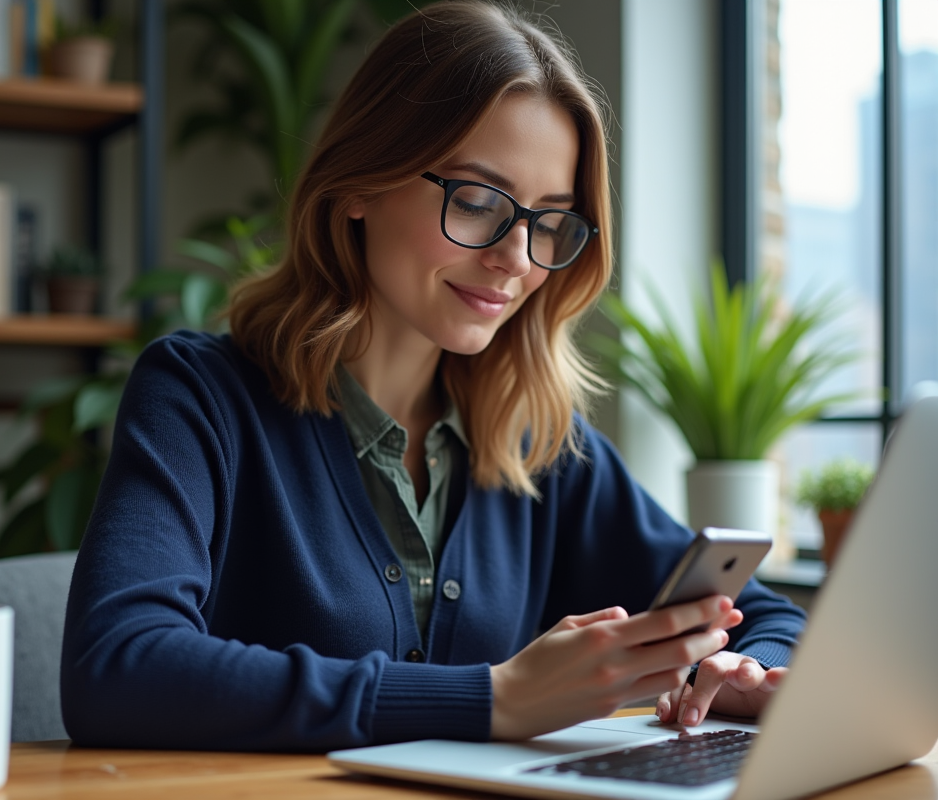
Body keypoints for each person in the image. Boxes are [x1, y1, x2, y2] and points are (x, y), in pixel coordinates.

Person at [60, 0, 806, 752]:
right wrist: (493, 698)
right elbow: (117, 667)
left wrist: (745, 670)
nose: (515, 259)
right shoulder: (199, 396)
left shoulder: (536, 444)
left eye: (549, 223)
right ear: (359, 183)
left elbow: (769, 617)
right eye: (477, 202)